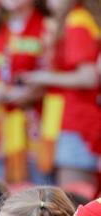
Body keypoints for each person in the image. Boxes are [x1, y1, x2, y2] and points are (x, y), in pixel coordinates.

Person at [0, 0, 50, 183]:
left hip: (34, 127)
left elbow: (54, 76)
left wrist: (26, 94)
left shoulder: (48, 27)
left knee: (37, 191)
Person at [28, 0, 101, 189]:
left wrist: (42, 76)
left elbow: (89, 77)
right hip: (61, 117)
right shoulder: (69, 20)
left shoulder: (77, 22)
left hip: (77, 119)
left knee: (73, 198)